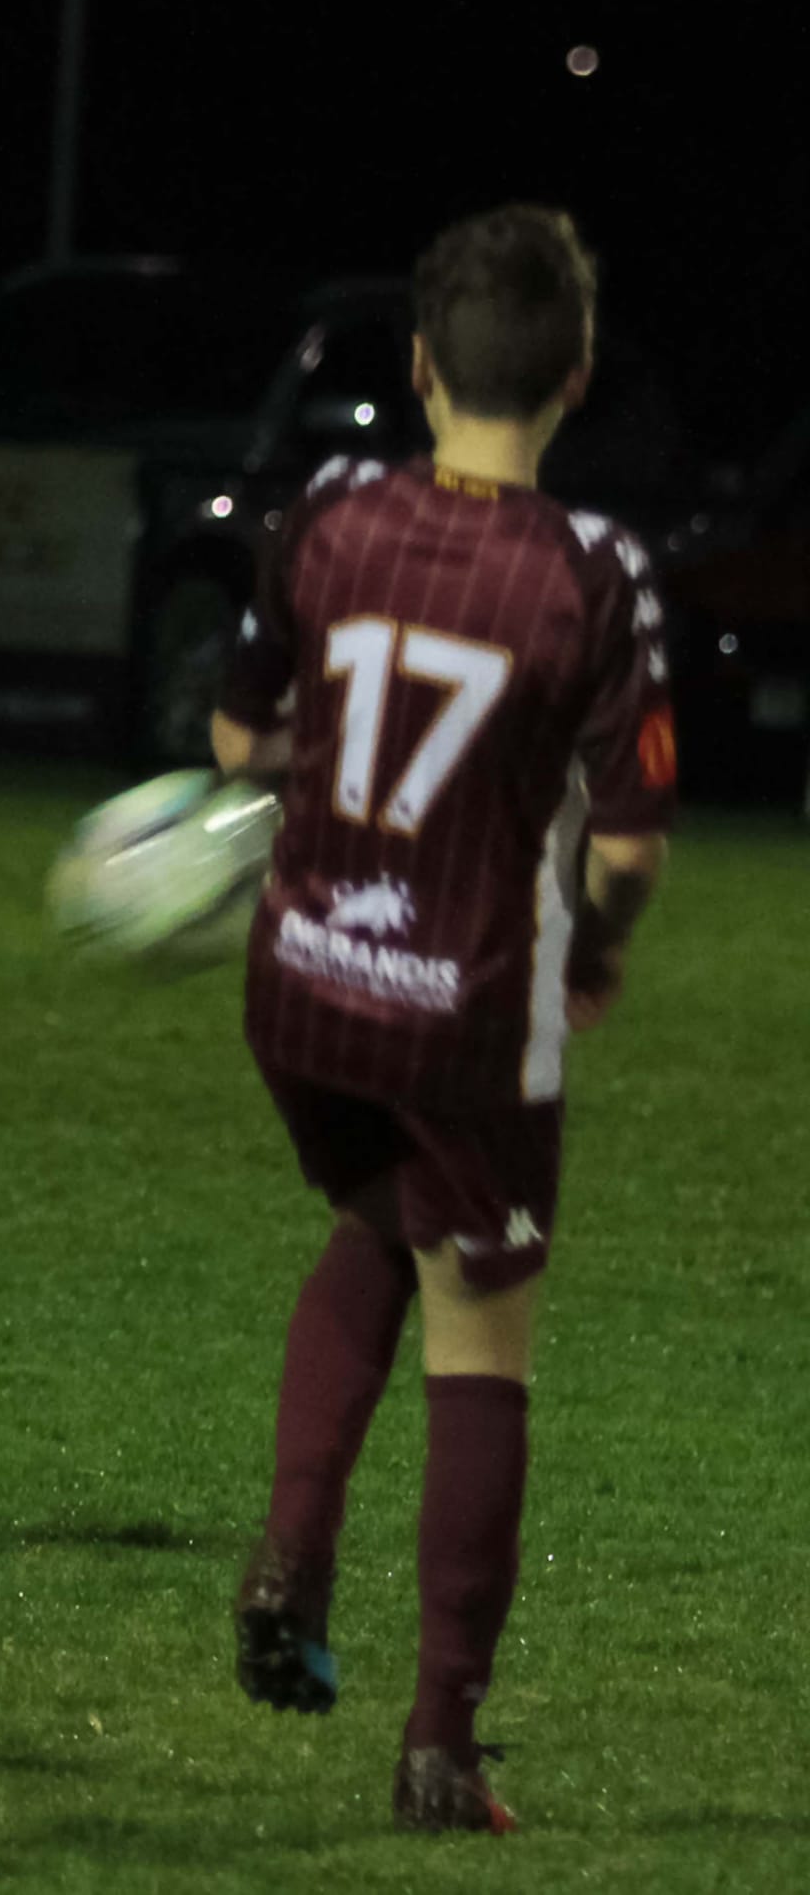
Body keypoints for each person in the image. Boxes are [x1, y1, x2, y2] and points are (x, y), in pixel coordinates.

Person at [211, 206, 675, 1832]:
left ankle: (291, 1556)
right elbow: (625, 845)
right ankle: (441, 1745)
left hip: (303, 990)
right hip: (465, 1011)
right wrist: (596, 953)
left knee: (373, 1217)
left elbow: (234, 734)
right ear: (577, 378)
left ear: (417, 367)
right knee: (483, 1330)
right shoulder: (592, 574)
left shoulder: (328, 517)